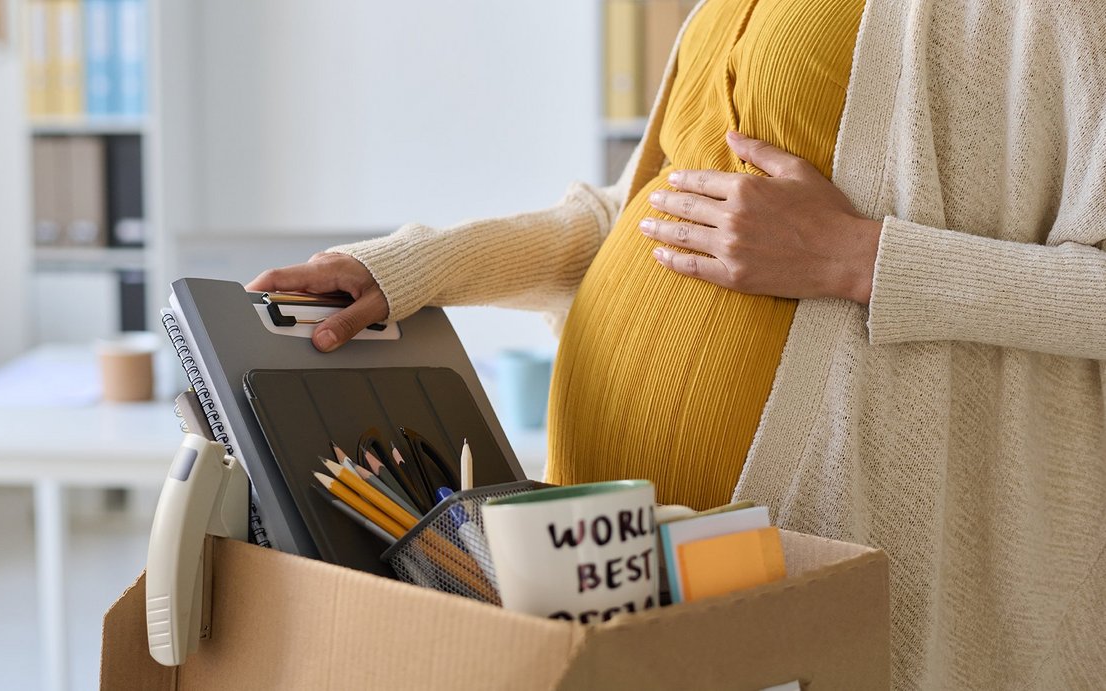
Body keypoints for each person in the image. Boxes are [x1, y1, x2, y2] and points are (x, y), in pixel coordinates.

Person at [248, 0, 1106, 687]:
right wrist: (414, 267)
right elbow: (638, 215)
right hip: (612, 550)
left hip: (824, 549)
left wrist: (856, 257)